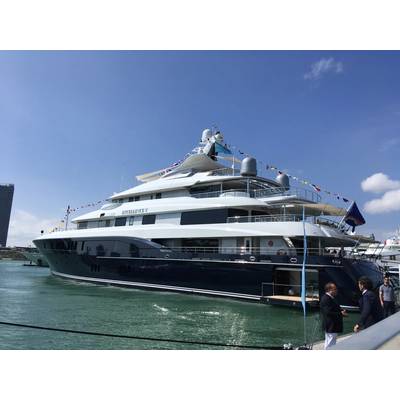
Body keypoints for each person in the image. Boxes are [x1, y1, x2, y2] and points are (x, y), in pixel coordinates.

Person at [320, 282, 347, 349]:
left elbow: (333, 309)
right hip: (331, 325)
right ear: (329, 290)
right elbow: (328, 312)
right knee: (330, 344)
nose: (336, 290)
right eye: (335, 289)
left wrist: (341, 311)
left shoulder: (331, 298)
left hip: (332, 325)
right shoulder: (326, 298)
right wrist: (341, 313)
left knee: (330, 342)